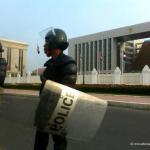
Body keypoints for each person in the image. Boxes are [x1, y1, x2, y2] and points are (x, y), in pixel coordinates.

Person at [34, 28, 77, 150]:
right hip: (45, 108)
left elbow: (65, 91)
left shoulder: (68, 64)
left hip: (58, 110)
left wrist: (46, 81)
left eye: (47, 42)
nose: (44, 45)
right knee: (40, 140)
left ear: (54, 43)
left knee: (59, 142)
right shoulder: (49, 64)